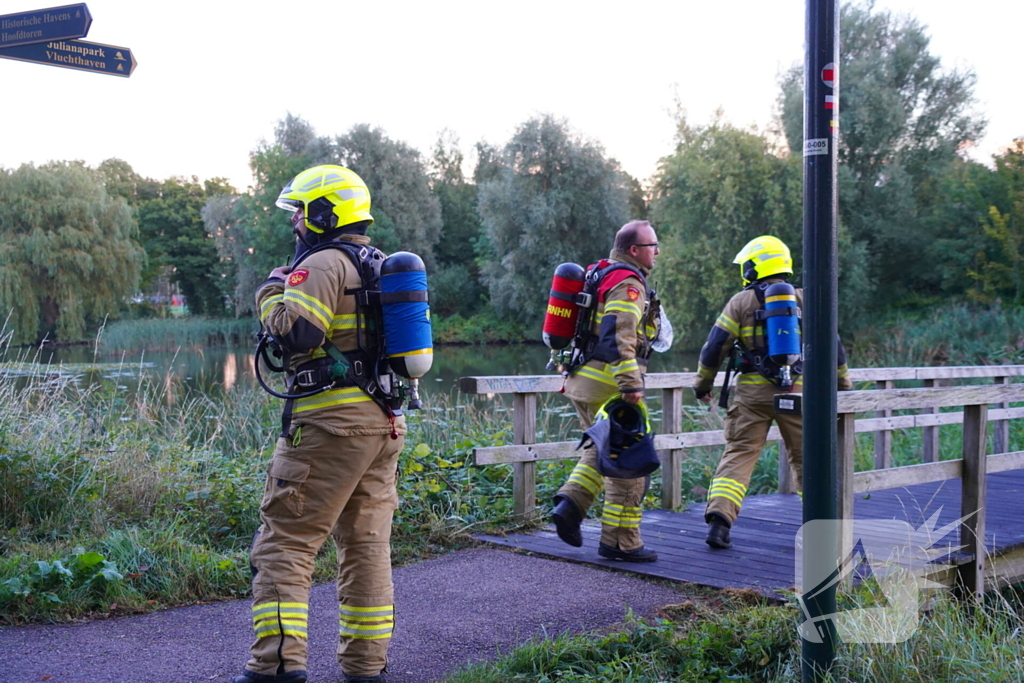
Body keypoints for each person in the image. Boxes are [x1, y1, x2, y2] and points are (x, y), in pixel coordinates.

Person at [231, 165, 403, 683]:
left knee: (284, 543)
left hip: (328, 424)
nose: (297, 223)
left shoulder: (323, 263)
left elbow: (298, 335)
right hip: (383, 423)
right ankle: (364, 668)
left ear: (326, 212)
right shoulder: (378, 264)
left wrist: (268, 294)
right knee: (367, 546)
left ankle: (275, 669)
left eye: (302, 211)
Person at [693, 235, 852, 550]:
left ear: (756, 266)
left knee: (739, 455)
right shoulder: (807, 299)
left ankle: (720, 523)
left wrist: (702, 384)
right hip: (799, 393)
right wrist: (844, 384)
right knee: (809, 459)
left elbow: (714, 347)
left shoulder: (740, 301)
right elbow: (834, 346)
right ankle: (821, 533)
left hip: (752, 396)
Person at [550, 220, 663, 562]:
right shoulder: (628, 283)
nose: (657, 251)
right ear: (634, 250)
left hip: (583, 379)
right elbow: (618, 334)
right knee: (631, 464)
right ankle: (619, 541)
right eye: (652, 244)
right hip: (609, 385)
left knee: (604, 453)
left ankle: (582, 516)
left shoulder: (600, 273)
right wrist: (631, 385)